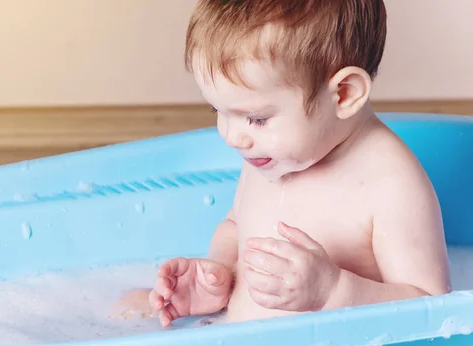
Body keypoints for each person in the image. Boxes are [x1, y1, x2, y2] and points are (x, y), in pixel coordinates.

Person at [114, 0, 451, 328]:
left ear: (344, 94)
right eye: (218, 111)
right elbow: (235, 226)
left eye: (256, 118)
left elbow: (432, 309)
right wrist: (219, 274)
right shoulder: (269, 153)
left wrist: (334, 291)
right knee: (127, 303)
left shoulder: (389, 184)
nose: (232, 137)